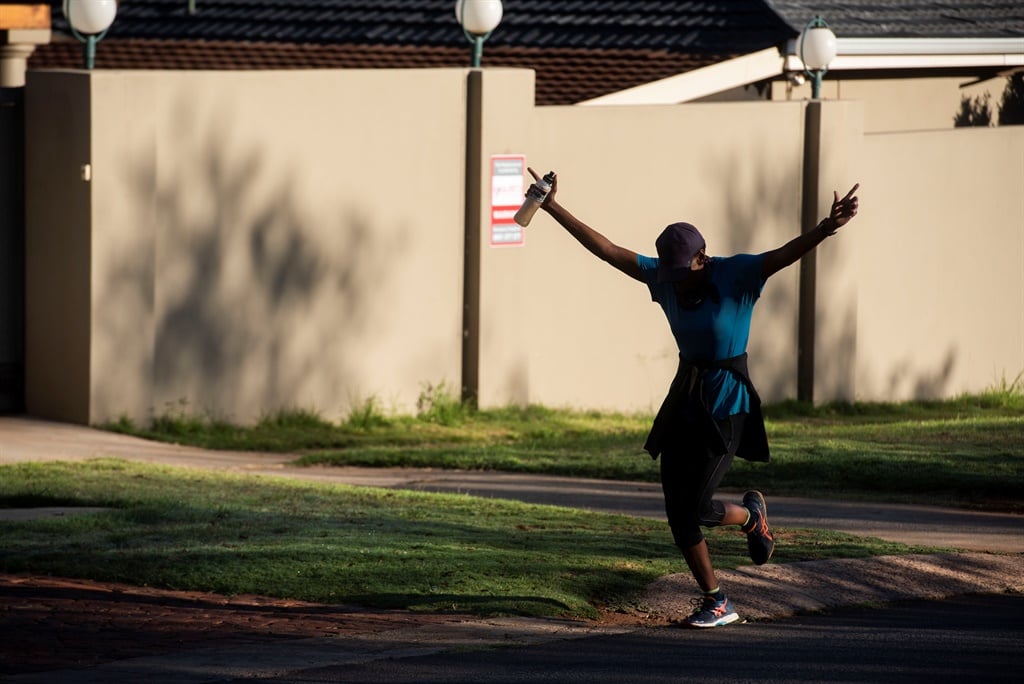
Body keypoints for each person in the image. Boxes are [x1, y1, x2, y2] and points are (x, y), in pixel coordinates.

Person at [529, 167, 860, 628]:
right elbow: (607, 251)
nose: (677, 282)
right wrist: (551, 207)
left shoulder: (737, 274)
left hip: (728, 402)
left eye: (684, 272)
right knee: (678, 510)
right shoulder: (663, 279)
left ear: (703, 259)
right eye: (672, 274)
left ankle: (738, 547)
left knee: (695, 504)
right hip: (687, 397)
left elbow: (783, 255)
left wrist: (826, 228)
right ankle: (723, 582)